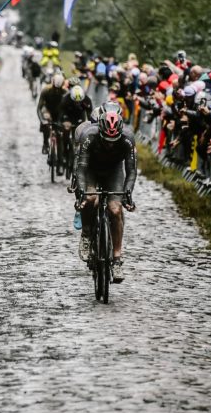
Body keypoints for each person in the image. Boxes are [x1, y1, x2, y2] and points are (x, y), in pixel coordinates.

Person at [75, 103, 137, 283]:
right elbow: (81, 169)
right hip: (91, 169)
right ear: (99, 132)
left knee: (115, 209)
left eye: (114, 141)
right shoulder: (89, 135)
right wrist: (81, 192)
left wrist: (127, 194)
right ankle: (86, 234)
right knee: (91, 198)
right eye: (106, 141)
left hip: (114, 171)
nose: (110, 145)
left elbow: (131, 171)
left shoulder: (127, 138)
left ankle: (117, 260)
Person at [37, 73, 67, 164]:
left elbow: (67, 108)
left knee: (61, 131)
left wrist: (64, 120)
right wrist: (42, 120)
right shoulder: (46, 90)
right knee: (46, 120)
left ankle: (63, 154)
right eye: (55, 88)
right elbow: (39, 108)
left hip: (59, 111)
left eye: (59, 89)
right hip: (48, 110)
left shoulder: (65, 92)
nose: (57, 91)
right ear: (52, 84)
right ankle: (46, 143)